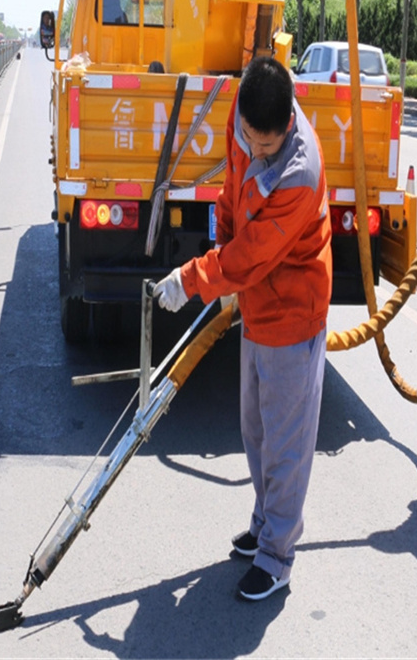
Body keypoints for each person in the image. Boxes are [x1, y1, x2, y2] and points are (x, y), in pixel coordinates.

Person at [153, 56, 333, 599]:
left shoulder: (299, 173)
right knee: (254, 428)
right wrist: (219, 243)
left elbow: (253, 256)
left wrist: (195, 277)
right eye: (252, 140)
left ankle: (277, 557)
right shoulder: (246, 114)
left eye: (267, 147)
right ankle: (263, 524)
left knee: (285, 441)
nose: (256, 152)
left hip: (292, 311)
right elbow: (233, 190)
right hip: (257, 304)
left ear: (287, 128)